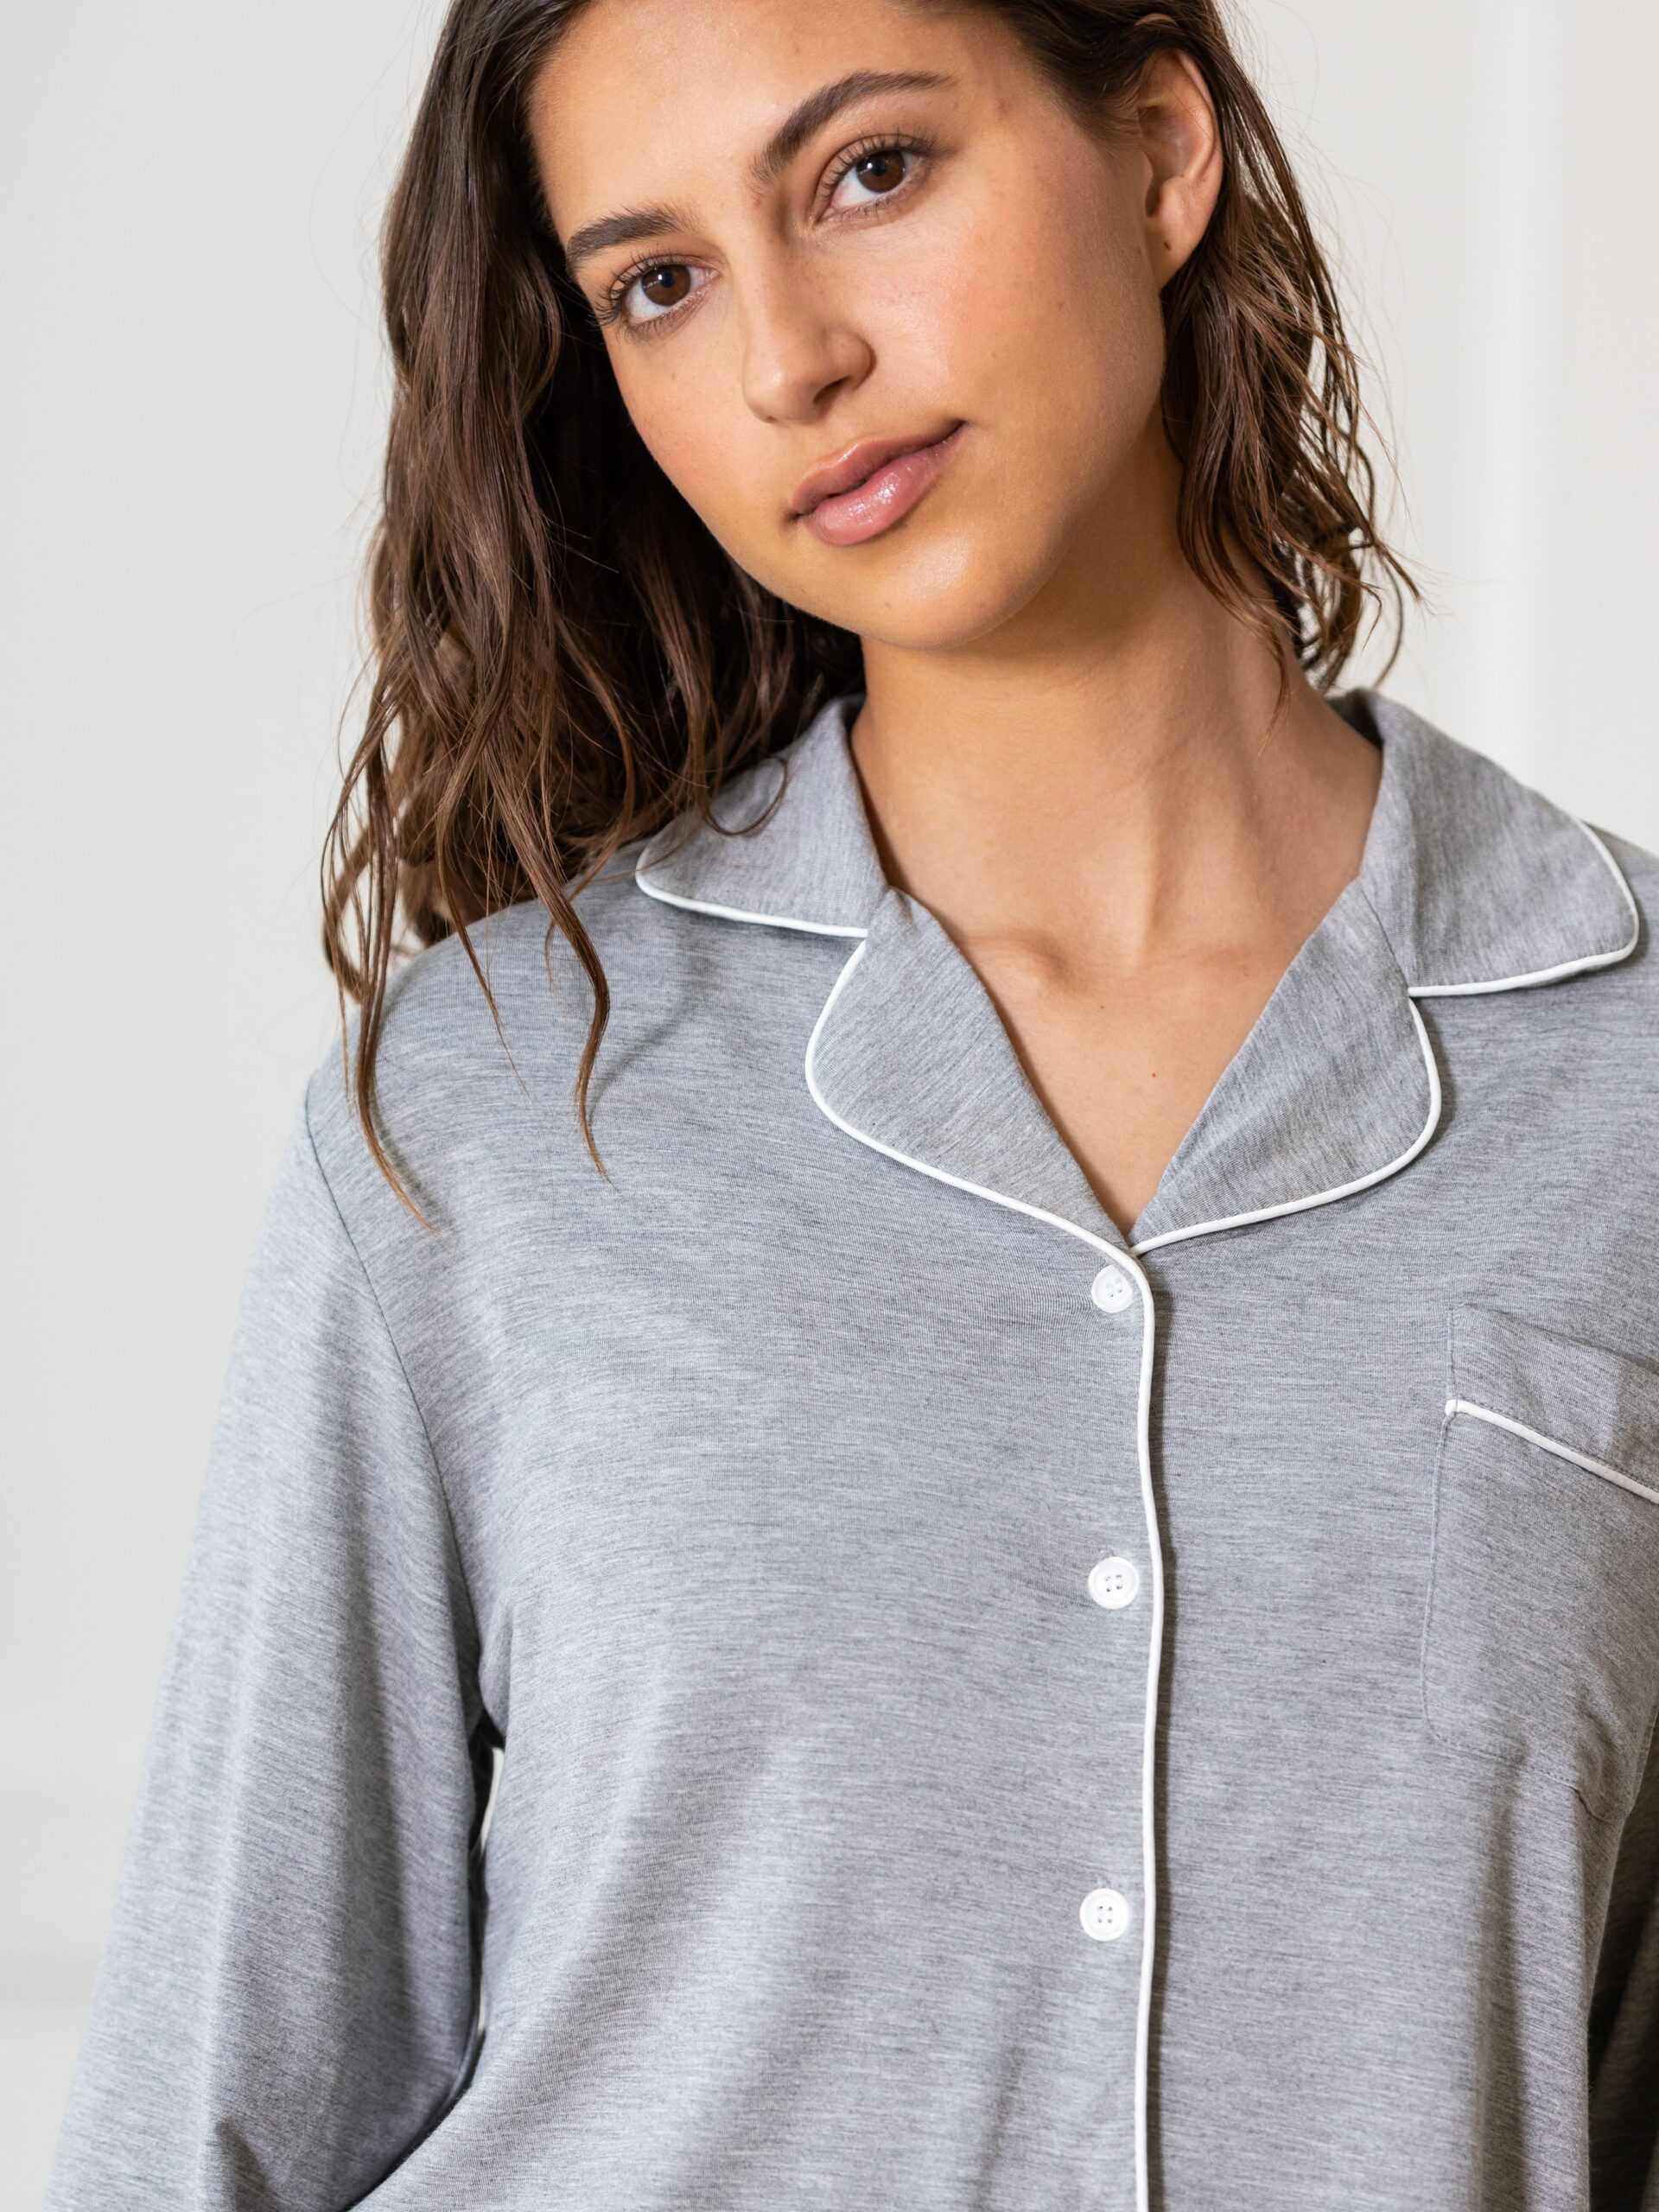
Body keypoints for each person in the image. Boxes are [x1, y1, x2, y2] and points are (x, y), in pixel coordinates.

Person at [42, 2, 1659, 2208]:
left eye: (871, 173)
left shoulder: (1627, 1068)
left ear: (1164, 154)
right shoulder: (497, 1115)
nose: (789, 357)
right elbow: (213, 2119)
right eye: (660, 283)